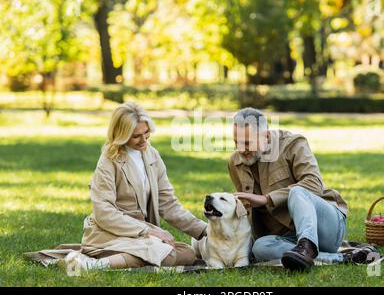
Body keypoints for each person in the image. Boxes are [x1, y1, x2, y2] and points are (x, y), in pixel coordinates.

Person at [64, 102, 207, 271]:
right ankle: (96, 265)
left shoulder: (152, 155)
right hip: (111, 232)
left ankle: (115, 259)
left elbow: (167, 204)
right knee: (163, 254)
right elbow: (104, 212)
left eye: (147, 133)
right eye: (136, 136)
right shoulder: (108, 160)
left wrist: (204, 230)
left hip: (142, 235)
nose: (144, 140)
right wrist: (147, 231)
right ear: (121, 135)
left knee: (188, 253)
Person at [229, 108, 348, 271]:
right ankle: (333, 258)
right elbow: (248, 211)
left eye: (248, 143)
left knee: (297, 192)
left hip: (325, 228)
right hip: (288, 238)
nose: (242, 149)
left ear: (266, 136)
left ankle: (307, 246)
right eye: (237, 142)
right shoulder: (236, 162)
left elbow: (314, 184)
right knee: (260, 247)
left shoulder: (293, 144)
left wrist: (266, 199)